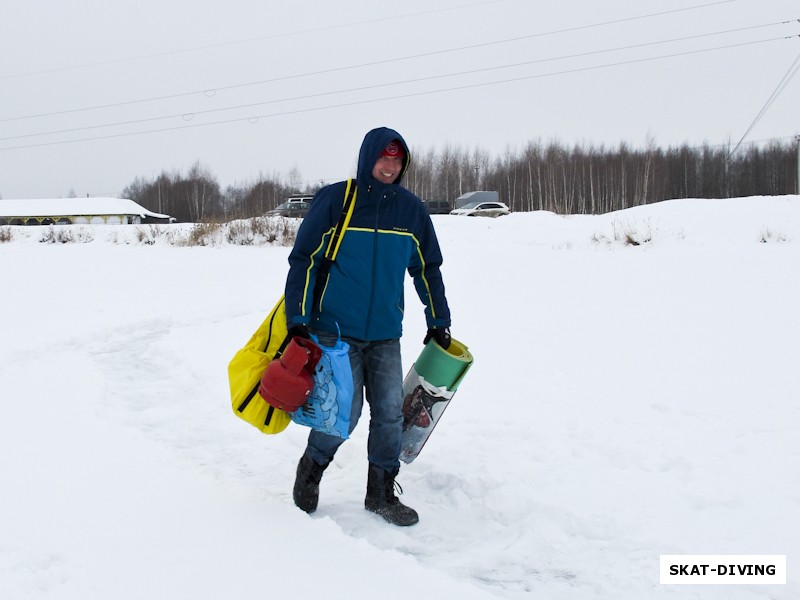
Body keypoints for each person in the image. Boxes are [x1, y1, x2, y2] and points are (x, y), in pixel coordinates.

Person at [284, 126, 452, 526]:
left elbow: (426, 268)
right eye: (383, 158)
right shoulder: (337, 201)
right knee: (343, 412)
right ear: (368, 158)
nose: (389, 166)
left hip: (384, 333)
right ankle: (312, 466)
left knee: (392, 413)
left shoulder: (411, 211)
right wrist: (299, 320)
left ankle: (380, 491)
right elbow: (304, 259)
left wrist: (438, 319)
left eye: (397, 160)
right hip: (334, 332)